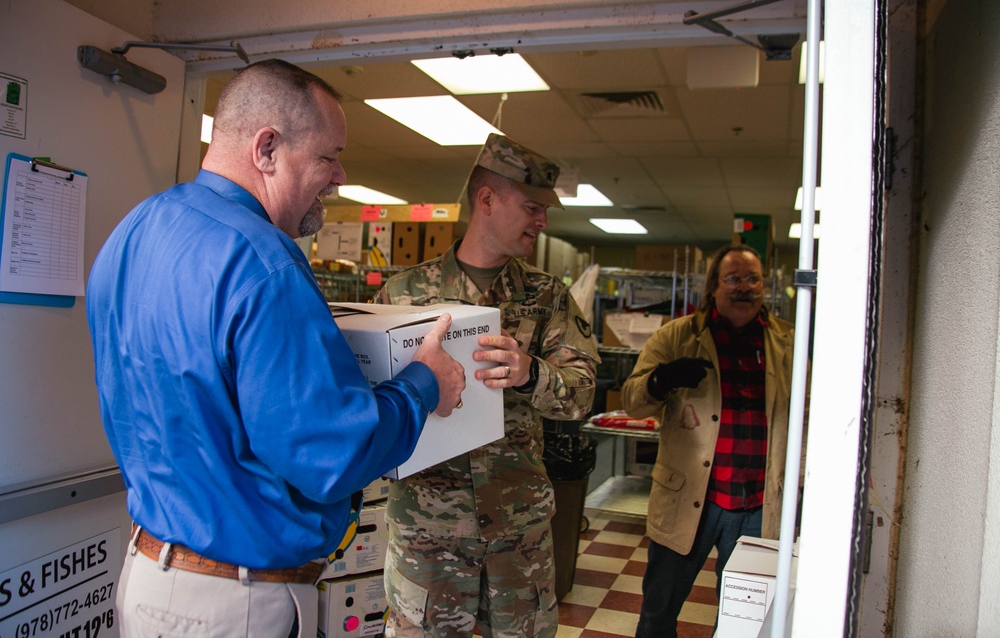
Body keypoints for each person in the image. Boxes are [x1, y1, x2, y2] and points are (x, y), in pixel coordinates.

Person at [85, 59, 467, 638]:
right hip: (233, 602)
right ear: (267, 148)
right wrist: (423, 383)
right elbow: (331, 455)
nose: (339, 175)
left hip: (145, 576)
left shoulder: (134, 230)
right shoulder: (263, 262)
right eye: (327, 156)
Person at [374, 133, 600, 637]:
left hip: (518, 532)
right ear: (487, 200)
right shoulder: (405, 294)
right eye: (533, 207)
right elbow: (368, 399)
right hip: (428, 530)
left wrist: (531, 372)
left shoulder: (547, 297)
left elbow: (582, 393)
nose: (543, 221)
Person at [620, 243, 797, 638]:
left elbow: (809, 414)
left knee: (744, 619)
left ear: (764, 287)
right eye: (732, 278)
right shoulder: (677, 337)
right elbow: (632, 401)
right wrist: (660, 380)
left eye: (753, 279)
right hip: (692, 500)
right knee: (658, 611)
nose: (744, 288)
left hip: (758, 503)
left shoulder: (788, 343)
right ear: (714, 287)